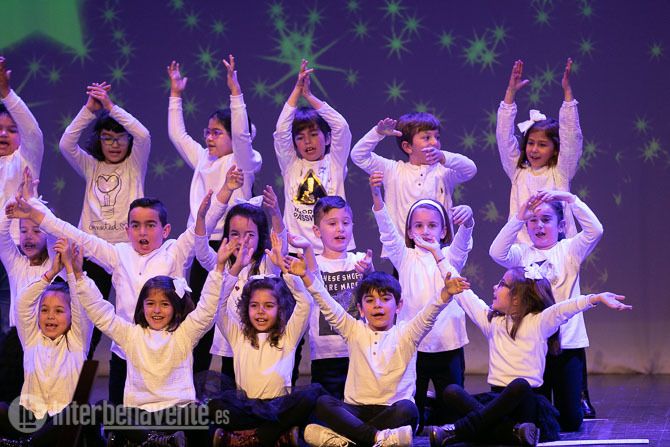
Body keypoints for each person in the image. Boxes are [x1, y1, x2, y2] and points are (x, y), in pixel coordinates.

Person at [5, 190, 216, 405]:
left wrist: (225, 191)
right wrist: (35, 214)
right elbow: (77, 236)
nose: (142, 231)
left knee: (168, 411)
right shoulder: (118, 254)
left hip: (167, 354)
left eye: (151, 225)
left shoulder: (176, 251)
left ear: (166, 230)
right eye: (135, 225)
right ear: (127, 230)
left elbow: (202, 225)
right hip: (125, 353)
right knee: (120, 418)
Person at [430, 266, 631, 446]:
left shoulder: (538, 322)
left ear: (516, 298)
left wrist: (595, 298)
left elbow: (564, 309)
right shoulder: (492, 322)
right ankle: (513, 434)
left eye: (502, 284)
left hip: (525, 403)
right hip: (496, 400)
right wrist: (439, 256)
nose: (495, 287)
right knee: (451, 391)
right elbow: (466, 296)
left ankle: (457, 432)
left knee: (520, 385)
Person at [297, 245, 469, 447]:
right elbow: (327, 304)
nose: (377, 305)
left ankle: (348, 440)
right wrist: (306, 276)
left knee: (408, 409)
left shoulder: (407, 333)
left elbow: (429, 313)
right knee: (323, 402)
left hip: (392, 411)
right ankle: (377, 438)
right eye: (370, 300)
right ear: (361, 309)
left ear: (398, 306)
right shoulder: (354, 330)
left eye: (385, 299)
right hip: (356, 410)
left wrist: (446, 294)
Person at [74, 237, 237, 445]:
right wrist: (79, 276)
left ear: (175, 308)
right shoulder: (131, 335)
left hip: (175, 413)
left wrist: (219, 268)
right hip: (139, 415)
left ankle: (157, 440)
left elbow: (207, 309)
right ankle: (157, 440)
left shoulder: (184, 334)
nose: (157, 310)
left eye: (164, 304)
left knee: (200, 413)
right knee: (102, 410)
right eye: (150, 303)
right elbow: (100, 312)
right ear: (142, 306)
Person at [167, 55, 262, 374]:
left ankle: (236, 383)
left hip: (234, 245)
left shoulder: (242, 162)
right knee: (201, 314)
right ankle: (196, 382)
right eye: (207, 132)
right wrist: (175, 95)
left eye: (216, 133)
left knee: (234, 313)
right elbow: (178, 136)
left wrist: (235, 93)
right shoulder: (203, 159)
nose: (208, 138)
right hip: (203, 245)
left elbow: (243, 136)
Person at [489, 190, 603, 430]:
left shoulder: (570, 249)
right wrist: (518, 217)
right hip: (533, 346)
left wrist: (571, 200)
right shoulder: (521, 253)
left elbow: (595, 230)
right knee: (537, 414)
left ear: (561, 226)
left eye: (546, 219)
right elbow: (496, 252)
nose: (539, 225)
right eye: (533, 220)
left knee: (570, 421)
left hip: (567, 343)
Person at [370, 171, 473, 428]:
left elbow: (463, 240)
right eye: (418, 226)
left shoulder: (450, 256)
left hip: (448, 344)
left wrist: (469, 220)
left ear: (444, 230)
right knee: (412, 408)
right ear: (409, 230)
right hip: (414, 346)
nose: (425, 231)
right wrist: (377, 196)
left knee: (451, 409)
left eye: (432, 225)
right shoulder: (404, 257)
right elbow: (386, 230)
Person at [58, 80, 151, 359]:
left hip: (124, 254)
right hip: (92, 253)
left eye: (120, 137)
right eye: (107, 138)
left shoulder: (134, 164)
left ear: (128, 141)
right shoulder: (91, 165)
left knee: (128, 319)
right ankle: (77, 375)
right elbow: (66, 143)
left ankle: (128, 375)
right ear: (99, 140)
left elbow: (144, 134)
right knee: (86, 320)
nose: (114, 144)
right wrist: (89, 110)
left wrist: (110, 107)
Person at [209, 233, 323, 447]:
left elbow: (305, 303)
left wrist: (284, 269)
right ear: (246, 308)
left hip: (279, 406)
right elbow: (219, 307)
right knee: (216, 405)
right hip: (247, 406)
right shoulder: (238, 335)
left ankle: (249, 438)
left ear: (280, 309)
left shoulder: (288, 335)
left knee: (312, 395)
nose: (261, 311)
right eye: (254, 306)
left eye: (269, 306)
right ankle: (277, 435)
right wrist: (236, 268)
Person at [194, 166, 287, 386]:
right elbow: (200, 249)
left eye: (249, 235)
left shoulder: (267, 263)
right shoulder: (221, 263)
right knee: (230, 388)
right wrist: (201, 217)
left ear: (260, 236)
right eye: (235, 234)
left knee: (256, 387)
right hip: (230, 343)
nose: (242, 241)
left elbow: (280, 244)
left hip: (261, 342)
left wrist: (275, 213)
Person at [0, 239, 93, 446]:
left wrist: (72, 271)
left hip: (62, 422)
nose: (50, 316)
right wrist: (51, 272)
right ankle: (29, 441)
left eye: (59, 311)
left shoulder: (76, 342)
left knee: (76, 411)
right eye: (44, 310)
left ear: (71, 315)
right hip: (31, 418)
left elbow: (83, 306)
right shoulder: (31, 339)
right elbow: (23, 303)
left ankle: (28, 444)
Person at [289, 196, 373, 400]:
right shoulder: (315, 263)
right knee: (327, 406)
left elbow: (375, 294)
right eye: (332, 223)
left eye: (346, 223)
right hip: (325, 355)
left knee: (359, 404)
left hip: (359, 351)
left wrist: (369, 271)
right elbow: (314, 280)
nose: (340, 229)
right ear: (317, 231)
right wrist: (307, 248)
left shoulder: (359, 260)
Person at [350, 113, 476, 249]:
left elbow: (470, 169)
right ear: (408, 147)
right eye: (427, 137)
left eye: (437, 137)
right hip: (403, 252)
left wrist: (443, 157)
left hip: (439, 251)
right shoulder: (392, 171)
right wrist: (377, 133)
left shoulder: (443, 172)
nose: (435, 142)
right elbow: (358, 156)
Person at [496, 58, 581, 245]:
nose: (534, 149)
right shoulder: (518, 171)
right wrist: (510, 93)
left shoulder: (561, 173)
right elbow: (503, 137)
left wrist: (567, 93)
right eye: (531, 143)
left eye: (542, 145)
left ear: (555, 149)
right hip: (523, 252)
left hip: (558, 252)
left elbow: (571, 138)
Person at [273, 60, 352, 254]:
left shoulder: (334, 163)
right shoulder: (291, 165)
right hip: (296, 251)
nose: (307, 142)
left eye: (314, 134)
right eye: (300, 137)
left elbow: (341, 127)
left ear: (328, 138)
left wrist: (308, 96)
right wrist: (297, 90)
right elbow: (281, 131)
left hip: (333, 251)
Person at [0, 56, 44, 334]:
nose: (4, 134)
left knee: (10, 325)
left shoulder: (25, 160)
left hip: (14, 249)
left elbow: (33, 132)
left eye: (11, 130)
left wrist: (6, 93)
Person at [0, 169, 52, 403]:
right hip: (17, 343)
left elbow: (55, 229)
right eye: (23, 231)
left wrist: (32, 203)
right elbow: (1, 233)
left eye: (36, 230)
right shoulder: (16, 264)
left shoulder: (55, 266)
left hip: (45, 342)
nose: (28, 236)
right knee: (11, 399)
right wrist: (15, 200)